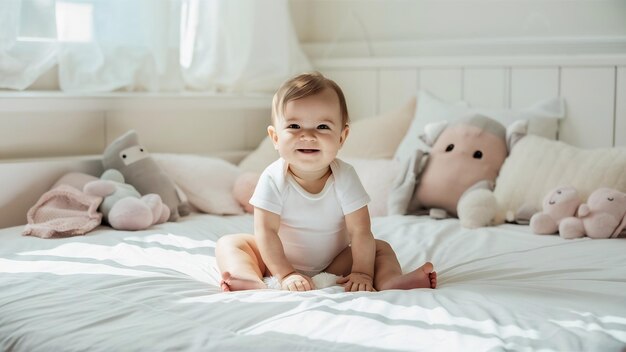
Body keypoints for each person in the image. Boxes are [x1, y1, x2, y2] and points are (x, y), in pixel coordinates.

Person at [216, 72, 436, 292]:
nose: (308, 135)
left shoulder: (345, 176)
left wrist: (362, 272)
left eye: (322, 127)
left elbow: (360, 231)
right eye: (294, 126)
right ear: (275, 138)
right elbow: (266, 232)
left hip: (334, 263)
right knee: (230, 244)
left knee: (380, 248)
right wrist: (286, 273)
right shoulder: (272, 178)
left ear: (342, 137)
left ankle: (390, 280)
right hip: (276, 260)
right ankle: (246, 277)